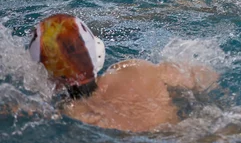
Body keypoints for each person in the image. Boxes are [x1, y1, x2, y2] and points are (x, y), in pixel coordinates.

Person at [28, 13, 219, 132]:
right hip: (202, 129)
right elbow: (206, 77)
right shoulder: (135, 69)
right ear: (97, 52)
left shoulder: (72, 113)